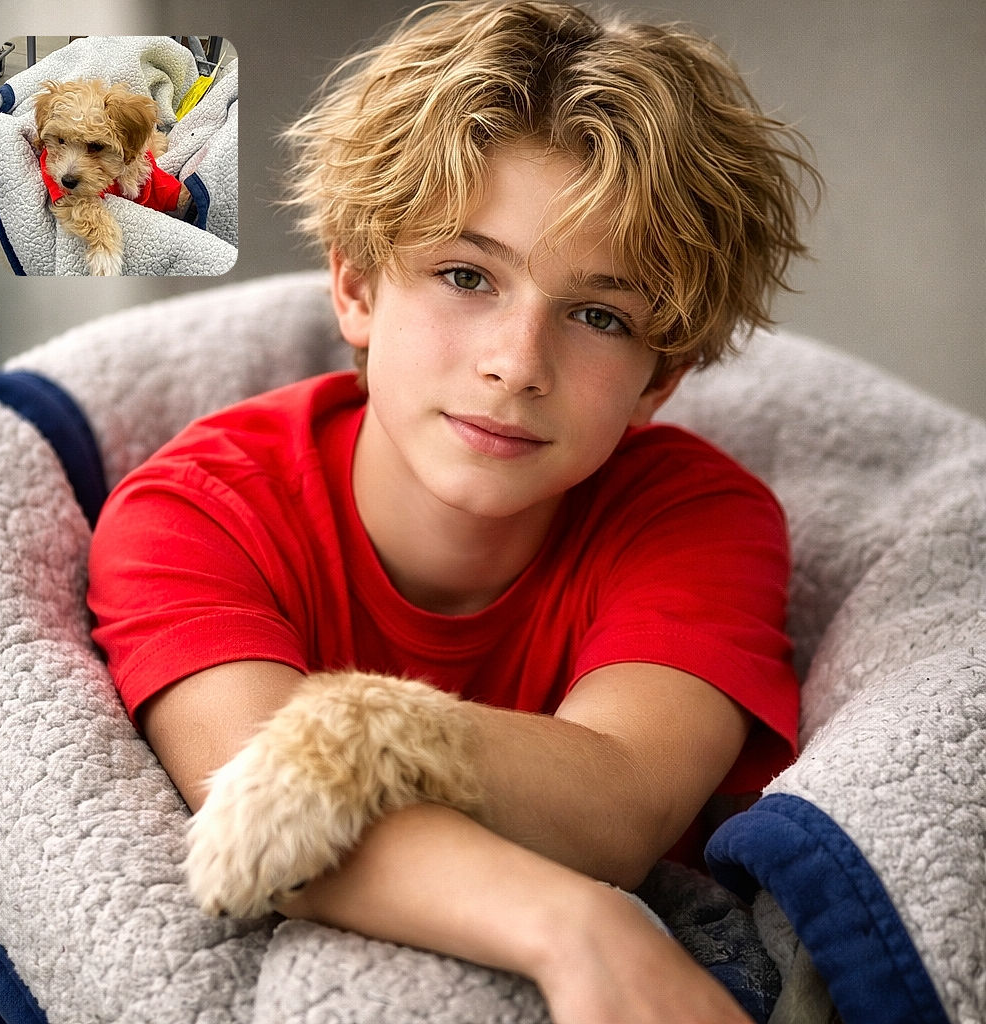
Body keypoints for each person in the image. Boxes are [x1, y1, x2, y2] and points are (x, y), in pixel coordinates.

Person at [87, 2, 820, 1020]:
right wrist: (577, 927)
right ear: (355, 287)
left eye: (599, 315)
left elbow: (620, 803)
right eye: (466, 275)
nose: (516, 365)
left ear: (659, 379)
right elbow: (256, 824)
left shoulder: (697, 515)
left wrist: (367, 734)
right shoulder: (195, 513)